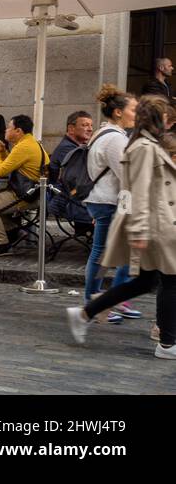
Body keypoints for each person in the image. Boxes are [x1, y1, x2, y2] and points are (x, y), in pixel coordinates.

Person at [67, 94, 176, 358]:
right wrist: (138, 231)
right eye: (163, 117)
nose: (167, 122)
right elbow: (136, 191)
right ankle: (168, 344)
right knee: (170, 282)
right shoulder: (142, 148)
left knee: (145, 282)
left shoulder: (148, 145)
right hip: (155, 225)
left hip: (159, 222)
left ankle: (85, 313)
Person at [82, 85, 141, 323]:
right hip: (108, 200)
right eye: (133, 110)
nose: (136, 114)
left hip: (106, 200)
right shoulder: (115, 138)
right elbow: (127, 174)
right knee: (101, 253)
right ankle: (93, 303)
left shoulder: (106, 133)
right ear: (118, 112)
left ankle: (114, 298)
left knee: (122, 252)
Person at [0, 114, 47, 256]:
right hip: (33, 192)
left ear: (18, 131)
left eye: (9, 127)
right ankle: (15, 232)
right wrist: (3, 152)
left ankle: (1, 245)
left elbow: (0, 171)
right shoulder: (31, 143)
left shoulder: (23, 147)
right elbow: (11, 163)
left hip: (26, 196)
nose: (6, 131)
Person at [47, 110, 95, 233]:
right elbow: (80, 181)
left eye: (91, 125)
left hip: (73, 199)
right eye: (84, 125)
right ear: (71, 129)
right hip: (68, 203)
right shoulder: (68, 149)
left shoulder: (76, 147)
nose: (90, 129)